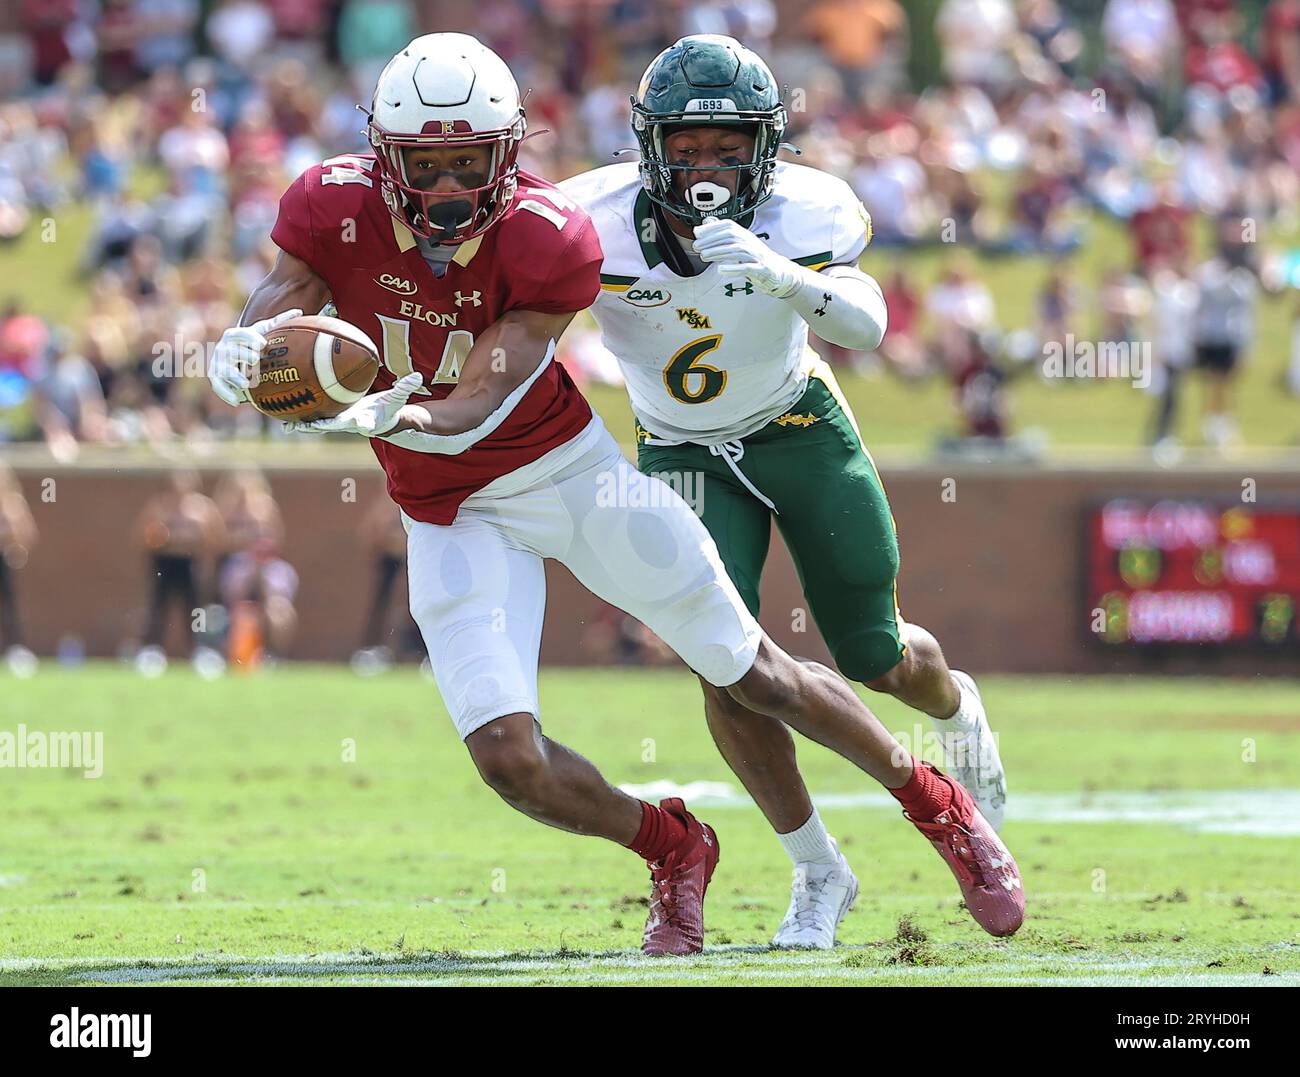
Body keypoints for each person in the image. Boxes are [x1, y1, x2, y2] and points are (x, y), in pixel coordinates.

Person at [208, 33, 1023, 955]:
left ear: (507, 151)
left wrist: (397, 418)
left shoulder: (546, 230)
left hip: (567, 476)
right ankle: (674, 846)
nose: (444, 188)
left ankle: (937, 803)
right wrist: (242, 353)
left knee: (756, 669)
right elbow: (278, 300)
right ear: (384, 158)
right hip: (449, 510)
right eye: (424, 165)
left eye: (466, 162)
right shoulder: (329, 203)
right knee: (509, 761)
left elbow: (489, 386)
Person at [561, 35, 1010, 950]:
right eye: (688, 145)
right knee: (724, 665)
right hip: (681, 444)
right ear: (649, 145)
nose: (708, 164)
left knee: (874, 654)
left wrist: (781, 277)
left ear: (766, 145)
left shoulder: (809, 212)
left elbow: (871, 324)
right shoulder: (589, 218)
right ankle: (817, 868)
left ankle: (955, 703)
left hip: (796, 427)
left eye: (730, 144)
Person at [0, 462, 38, 676]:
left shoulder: (14, 504)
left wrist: (13, 535)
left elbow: (28, 534)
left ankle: (16, 648)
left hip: (4, 558)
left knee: (9, 605)